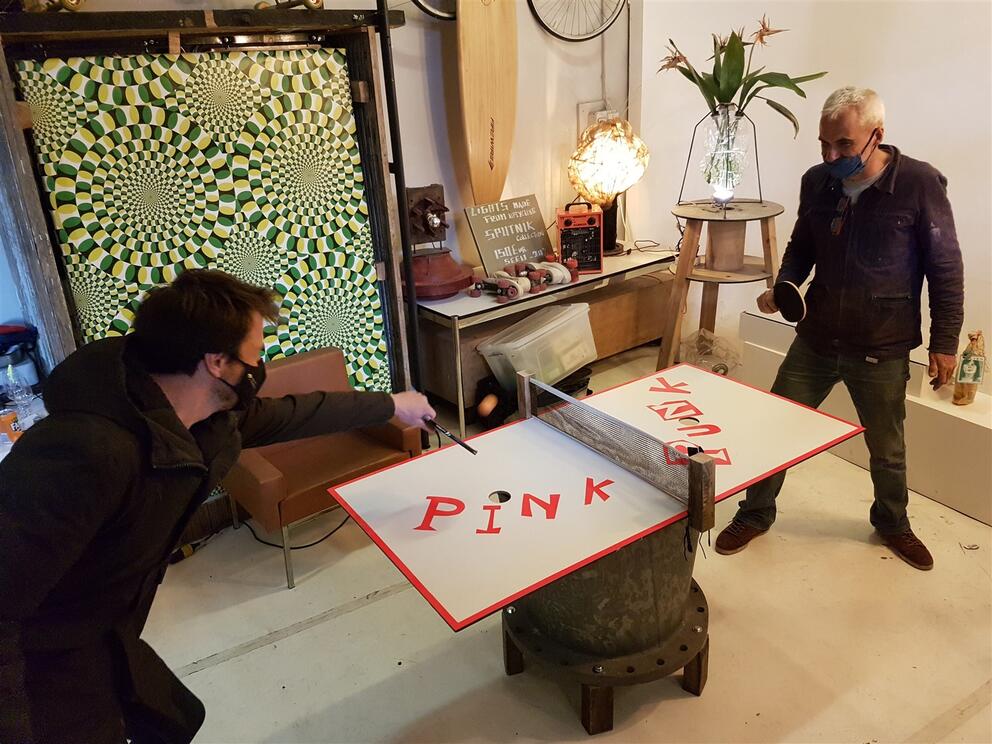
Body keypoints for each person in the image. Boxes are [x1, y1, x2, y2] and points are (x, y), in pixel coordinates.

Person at [0, 270, 436, 743]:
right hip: (40, 663)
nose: (261, 363)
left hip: (105, 632)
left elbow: (297, 412)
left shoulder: (207, 419)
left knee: (173, 720)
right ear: (216, 362)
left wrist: (391, 405)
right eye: (255, 352)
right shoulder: (82, 451)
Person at [715, 87, 964, 571]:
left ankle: (892, 523)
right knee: (775, 429)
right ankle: (756, 512)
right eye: (824, 145)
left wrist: (946, 342)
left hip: (881, 343)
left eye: (844, 146)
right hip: (817, 337)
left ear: (877, 136)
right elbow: (801, 246)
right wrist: (784, 284)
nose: (832, 156)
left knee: (887, 449)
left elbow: (946, 267)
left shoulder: (920, 183)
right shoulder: (818, 182)